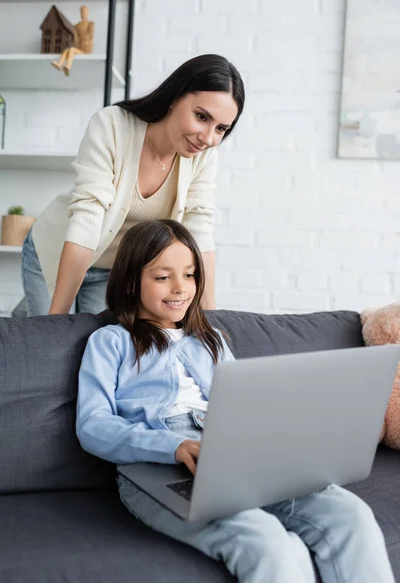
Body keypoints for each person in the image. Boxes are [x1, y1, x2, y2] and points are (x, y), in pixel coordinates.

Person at [76, 219, 394, 583]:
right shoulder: (111, 341)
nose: (181, 288)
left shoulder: (209, 340)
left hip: (233, 456)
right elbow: (93, 426)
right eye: (163, 277)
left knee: (349, 514)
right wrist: (175, 445)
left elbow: (244, 405)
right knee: (266, 539)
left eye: (190, 274)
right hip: (157, 465)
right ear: (132, 282)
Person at [21, 54, 244, 316]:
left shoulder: (203, 155)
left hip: (112, 272)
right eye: (201, 117)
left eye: (221, 129)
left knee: (88, 345)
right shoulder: (113, 125)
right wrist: (55, 321)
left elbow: (200, 233)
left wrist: (211, 321)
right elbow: (87, 221)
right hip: (58, 253)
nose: (208, 138)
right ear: (175, 97)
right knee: (50, 342)